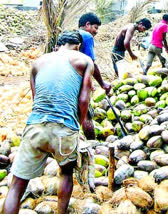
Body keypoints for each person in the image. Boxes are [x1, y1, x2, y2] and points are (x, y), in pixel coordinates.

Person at [2, 30, 94, 214]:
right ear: (78, 46)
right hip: (64, 129)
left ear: (58, 45)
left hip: (35, 126)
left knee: (16, 185)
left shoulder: (37, 63)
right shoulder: (84, 60)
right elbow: (84, 99)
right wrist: (77, 127)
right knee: (66, 174)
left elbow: (36, 100)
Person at [78, 12, 111, 140]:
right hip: (77, 83)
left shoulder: (68, 35)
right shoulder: (86, 36)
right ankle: (92, 145)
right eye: (95, 27)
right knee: (86, 114)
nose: (96, 31)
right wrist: (102, 83)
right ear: (87, 25)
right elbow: (91, 63)